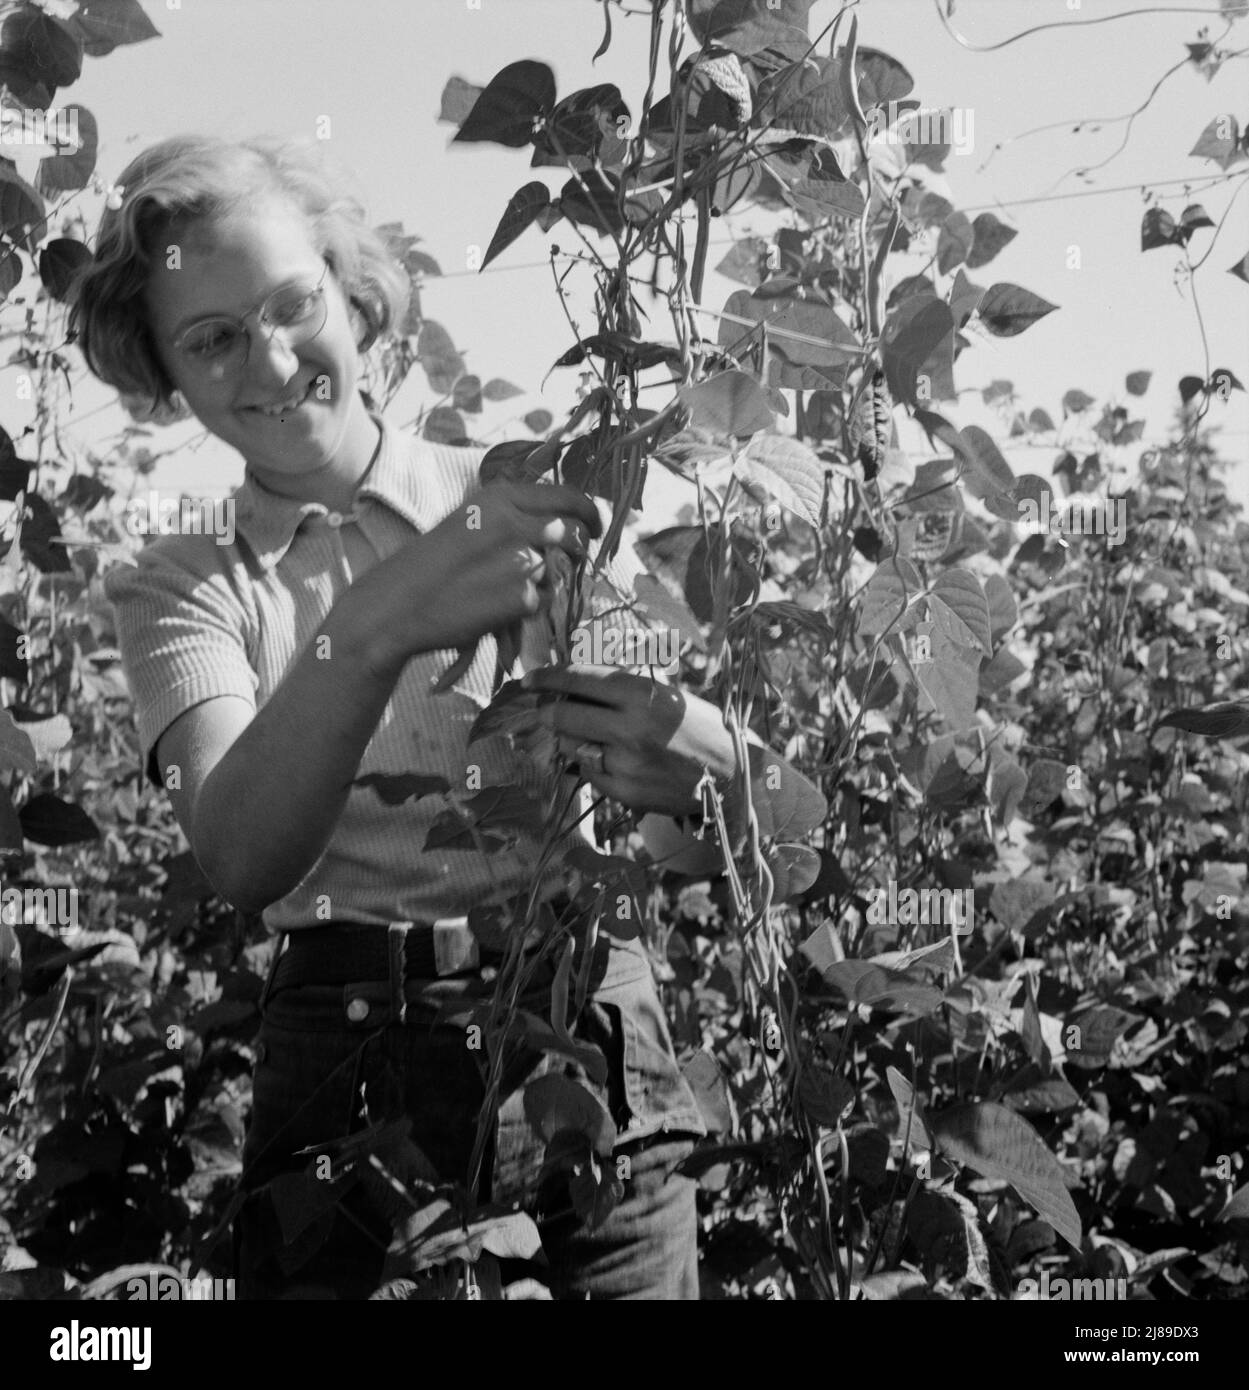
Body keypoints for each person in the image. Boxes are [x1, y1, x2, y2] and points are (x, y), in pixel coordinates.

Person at [70, 135, 741, 1300]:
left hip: (587, 1028)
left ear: (352, 294)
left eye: (292, 303)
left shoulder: (522, 493)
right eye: (213, 339)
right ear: (168, 377)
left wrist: (716, 770)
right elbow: (238, 849)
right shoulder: (184, 585)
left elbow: (684, 831)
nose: (271, 359)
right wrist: (378, 623)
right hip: (350, 1059)